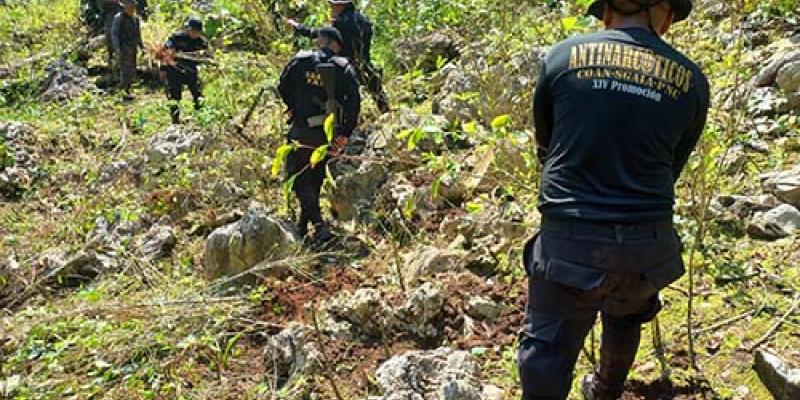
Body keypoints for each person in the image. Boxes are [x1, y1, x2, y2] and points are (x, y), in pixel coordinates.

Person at [517, 1, 709, 399]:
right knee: (625, 317)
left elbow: (546, 144)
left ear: (606, 12)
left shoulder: (563, 57)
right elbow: (673, 166)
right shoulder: (691, 79)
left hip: (571, 244)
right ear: (664, 13)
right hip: (647, 247)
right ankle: (605, 391)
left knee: (547, 350)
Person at [278, 27, 361, 243]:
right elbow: (354, 104)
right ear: (335, 44)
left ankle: (318, 225)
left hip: (302, 128)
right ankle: (304, 224)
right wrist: (345, 133)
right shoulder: (343, 67)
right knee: (315, 177)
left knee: (297, 177)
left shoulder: (300, 61)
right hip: (327, 131)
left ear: (320, 41)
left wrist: (293, 106)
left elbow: (282, 86)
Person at [286, 0, 389, 113]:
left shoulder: (340, 22)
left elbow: (320, 34)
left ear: (340, 5)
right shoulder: (364, 19)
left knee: (340, 96)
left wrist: (298, 27)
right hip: (364, 64)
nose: (330, 7)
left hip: (343, 66)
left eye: (332, 5)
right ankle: (386, 112)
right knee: (376, 89)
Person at [159, 17, 210, 124]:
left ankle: (200, 117)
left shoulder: (202, 43)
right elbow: (165, 53)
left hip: (191, 71)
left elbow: (207, 57)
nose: (193, 33)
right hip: (174, 70)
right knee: (175, 96)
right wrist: (163, 69)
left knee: (197, 94)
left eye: (196, 31)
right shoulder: (177, 37)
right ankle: (175, 120)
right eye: (191, 30)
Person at [111, 0, 144, 101]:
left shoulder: (136, 19)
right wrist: (117, 48)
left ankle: (128, 89)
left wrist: (142, 47)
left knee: (132, 69)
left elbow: (138, 35)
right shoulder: (119, 18)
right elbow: (114, 34)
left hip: (132, 48)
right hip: (123, 48)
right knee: (125, 70)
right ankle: (124, 91)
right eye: (129, 7)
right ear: (124, 7)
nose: (131, 9)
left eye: (133, 8)